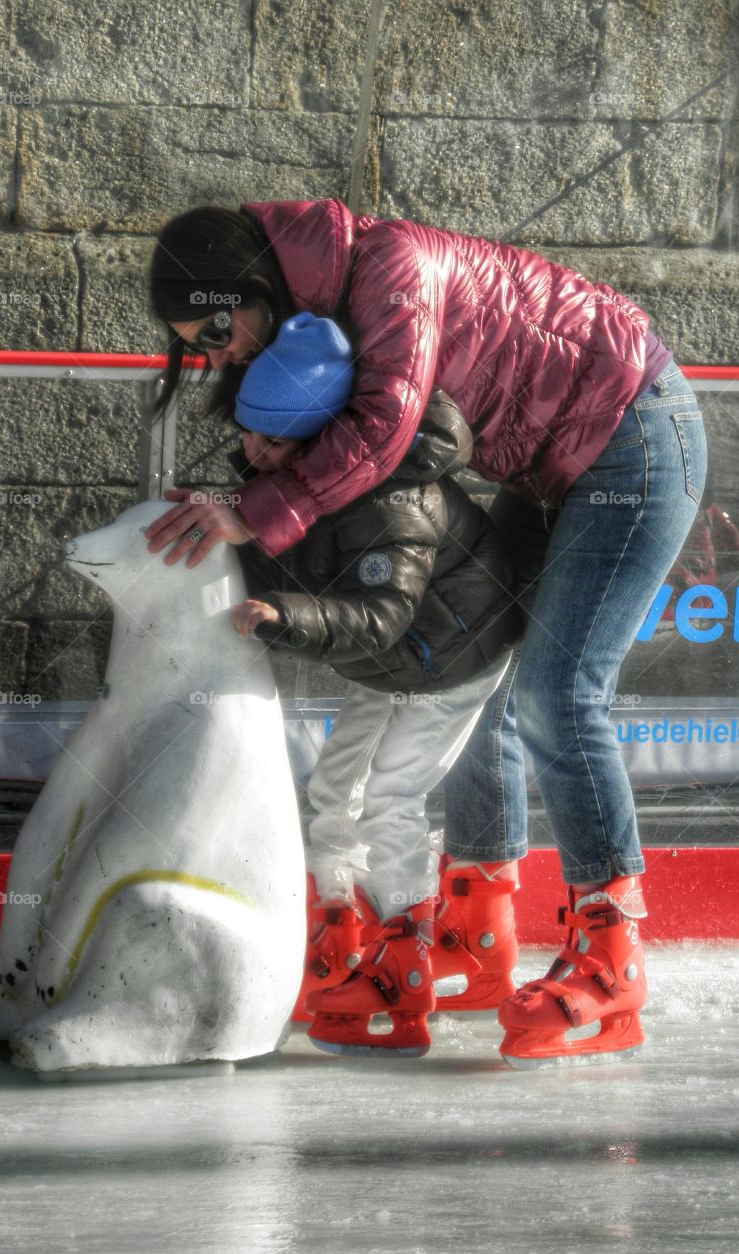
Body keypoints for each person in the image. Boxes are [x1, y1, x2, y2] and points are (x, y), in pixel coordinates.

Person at [144, 198, 707, 1067]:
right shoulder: (321, 313)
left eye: (215, 332)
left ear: (249, 287)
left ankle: (612, 950)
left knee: (561, 695)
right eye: (200, 348)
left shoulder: (387, 269)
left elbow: (383, 428)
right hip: (548, 459)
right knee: (476, 655)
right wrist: (234, 504)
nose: (219, 356)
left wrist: (253, 514)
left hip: (633, 434)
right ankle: (480, 924)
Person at [225, 310, 522, 1056]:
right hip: (394, 656)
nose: (254, 455)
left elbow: (381, 614)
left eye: (274, 441)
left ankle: (404, 958)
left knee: (391, 794)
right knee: (334, 786)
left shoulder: (393, 497)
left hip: (452, 656)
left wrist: (281, 613)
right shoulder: (309, 475)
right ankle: (336, 927)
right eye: (248, 434)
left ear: (324, 438)